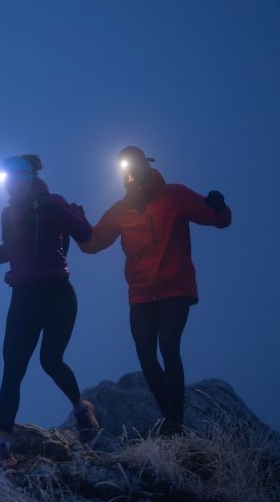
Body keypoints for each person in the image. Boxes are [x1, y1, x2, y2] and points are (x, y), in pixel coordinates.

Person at [77, 145, 231, 437]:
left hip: (175, 287)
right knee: (145, 354)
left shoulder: (174, 195)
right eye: (125, 168)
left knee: (168, 344)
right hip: (141, 293)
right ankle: (171, 422)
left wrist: (218, 205)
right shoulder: (121, 210)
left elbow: (220, 220)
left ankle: (175, 423)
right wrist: (78, 224)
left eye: (135, 165)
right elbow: (92, 244)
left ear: (146, 166)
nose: (131, 172)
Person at [0, 154, 100, 466]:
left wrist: (62, 210)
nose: (10, 182)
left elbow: (87, 235)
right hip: (23, 296)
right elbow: (13, 249)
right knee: (13, 368)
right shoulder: (8, 213)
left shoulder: (54, 202)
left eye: (15, 176)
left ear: (30, 177)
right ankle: (4, 443)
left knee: (50, 360)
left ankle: (81, 409)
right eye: (6, 177)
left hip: (57, 293)